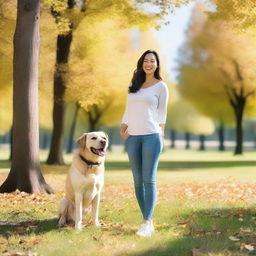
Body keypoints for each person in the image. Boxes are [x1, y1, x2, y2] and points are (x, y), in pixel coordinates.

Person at [120, 50, 169, 237]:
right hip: (132, 137)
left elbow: (162, 113)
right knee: (137, 181)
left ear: (157, 65)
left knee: (149, 180)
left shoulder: (161, 86)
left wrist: (161, 134)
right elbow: (128, 110)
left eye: (152, 61)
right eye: (146, 60)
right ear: (141, 63)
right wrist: (123, 128)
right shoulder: (134, 85)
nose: (149, 63)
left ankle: (146, 222)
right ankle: (147, 220)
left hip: (151, 136)